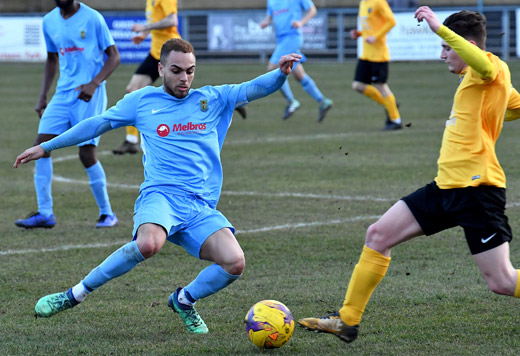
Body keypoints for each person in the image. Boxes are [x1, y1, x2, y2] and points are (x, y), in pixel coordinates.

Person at [14, 38, 300, 334]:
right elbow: (97, 124)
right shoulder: (142, 101)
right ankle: (74, 295)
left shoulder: (212, 99)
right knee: (149, 244)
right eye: (176, 70)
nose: (185, 78)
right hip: (160, 195)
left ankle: (184, 300)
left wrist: (279, 74)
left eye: (190, 71)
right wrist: (47, 146)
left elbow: (254, 88)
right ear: (161, 68)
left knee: (234, 262)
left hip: (200, 206)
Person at [298, 7, 520, 343]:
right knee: (378, 235)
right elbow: (516, 106)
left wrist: (435, 25)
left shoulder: (491, 69)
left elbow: (486, 65)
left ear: (465, 44)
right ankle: (346, 320)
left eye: (447, 47)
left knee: (502, 282)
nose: (442, 53)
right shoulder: (479, 81)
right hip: (445, 187)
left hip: (478, 190)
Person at [14, 0, 120, 229]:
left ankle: (107, 214)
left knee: (86, 153)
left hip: (90, 94)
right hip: (63, 94)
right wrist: (43, 96)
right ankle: (45, 213)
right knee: (40, 147)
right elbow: (52, 59)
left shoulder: (93, 18)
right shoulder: (49, 21)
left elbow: (114, 56)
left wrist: (94, 83)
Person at [113, 0, 246, 154]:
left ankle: (226, 102)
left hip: (172, 53)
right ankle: (131, 141)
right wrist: (144, 34)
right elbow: (157, 21)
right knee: (133, 90)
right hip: (156, 52)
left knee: (183, 94)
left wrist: (145, 27)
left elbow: (172, 20)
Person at [259, 0, 333, 122]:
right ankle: (323, 101)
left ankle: (291, 101)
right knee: (299, 75)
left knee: (272, 68)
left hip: (292, 37)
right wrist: (266, 22)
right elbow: (269, 16)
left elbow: (312, 10)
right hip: (281, 40)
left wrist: (301, 22)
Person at [350, 0, 402, 130]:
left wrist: (376, 36)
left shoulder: (378, 2)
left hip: (379, 55)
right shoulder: (363, 3)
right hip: (366, 54)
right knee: (358, 85)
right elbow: (370, 27)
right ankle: (390, 104)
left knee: (381, 86)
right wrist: (360, 33)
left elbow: (391, 21)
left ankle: (396, 121)